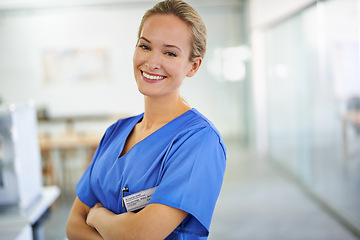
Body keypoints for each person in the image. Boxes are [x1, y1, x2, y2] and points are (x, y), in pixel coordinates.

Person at [66, 0, 226, 239]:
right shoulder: (115, 132)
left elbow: (140, 235)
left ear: (193, 66)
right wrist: (121, 227)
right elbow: (73, 226)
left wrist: (98, 217)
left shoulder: (199, 141)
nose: (152, 62)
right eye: (145, 46)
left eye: (170, 53)